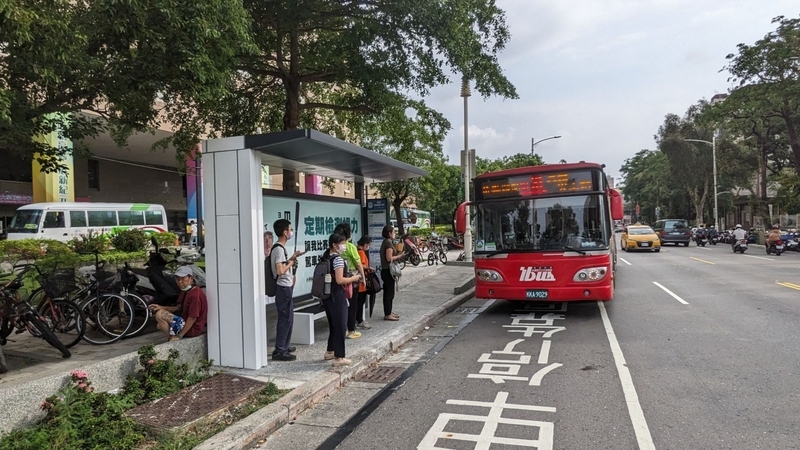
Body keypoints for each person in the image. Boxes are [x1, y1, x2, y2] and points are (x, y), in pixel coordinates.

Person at [322, 233, 361, 367]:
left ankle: (330, 351)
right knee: (341, 325)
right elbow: (340, 280)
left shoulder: (326, 256)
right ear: (334, 245)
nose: (344, 246)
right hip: (337, 295)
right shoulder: (338, 259)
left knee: (334, 324)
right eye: (342, 243)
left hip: (327, 295)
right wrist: (355, 278)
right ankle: (339, 357)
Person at [271, 219, 305, 361]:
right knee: (285, 318)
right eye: (290, 229)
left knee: (288, 318)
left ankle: (284, 345)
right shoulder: (279, 249)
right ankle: (280, 350)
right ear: (285, 232)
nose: (291, 232)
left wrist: (292, 258)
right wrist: (291, 262)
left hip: (285, 287)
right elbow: (280, 271)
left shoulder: (280, 248)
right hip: (283, 288)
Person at [151, 266, 208, 342]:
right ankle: (172, 338)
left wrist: (180, 335)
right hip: (184, 320)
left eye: (183, 278)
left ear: (191, 278)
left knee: (160, 314)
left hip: (193, 328)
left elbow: (192, 318)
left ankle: (173, 339)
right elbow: (179, 308)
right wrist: (161, 307)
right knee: (159, 325)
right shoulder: (185, 290)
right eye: (178, 279)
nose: (180, 282)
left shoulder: (195, 295)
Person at [333, 223, 366, 339]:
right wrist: (363, 278)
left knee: (341, 305)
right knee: (352, 305)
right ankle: (351, 330)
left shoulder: (335, 247)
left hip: (337, 278)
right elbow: (358, 264)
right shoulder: (350, 247)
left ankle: (340, 329)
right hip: (351, 279)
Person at [380, 225, 403, 321]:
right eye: (393, 232)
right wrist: (399, 256)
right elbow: (389, 258)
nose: (394, 234)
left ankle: (389, 311)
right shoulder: (388, 243)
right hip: (387, 271)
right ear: (389, 233)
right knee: (388, 293)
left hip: (386, 270)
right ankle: (387, 313)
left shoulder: (387, 242)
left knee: (390, 292)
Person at [356, 236, 374, 330]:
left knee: (358, 302)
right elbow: (361, 266)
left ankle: (357, 320)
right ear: (365, 244)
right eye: (369, 244)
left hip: (358, 281)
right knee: (360, 302)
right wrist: (368, 268)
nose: (369, 246)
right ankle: (359, 321)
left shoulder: (356, 250)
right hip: (361, 282)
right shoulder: (361, 252)